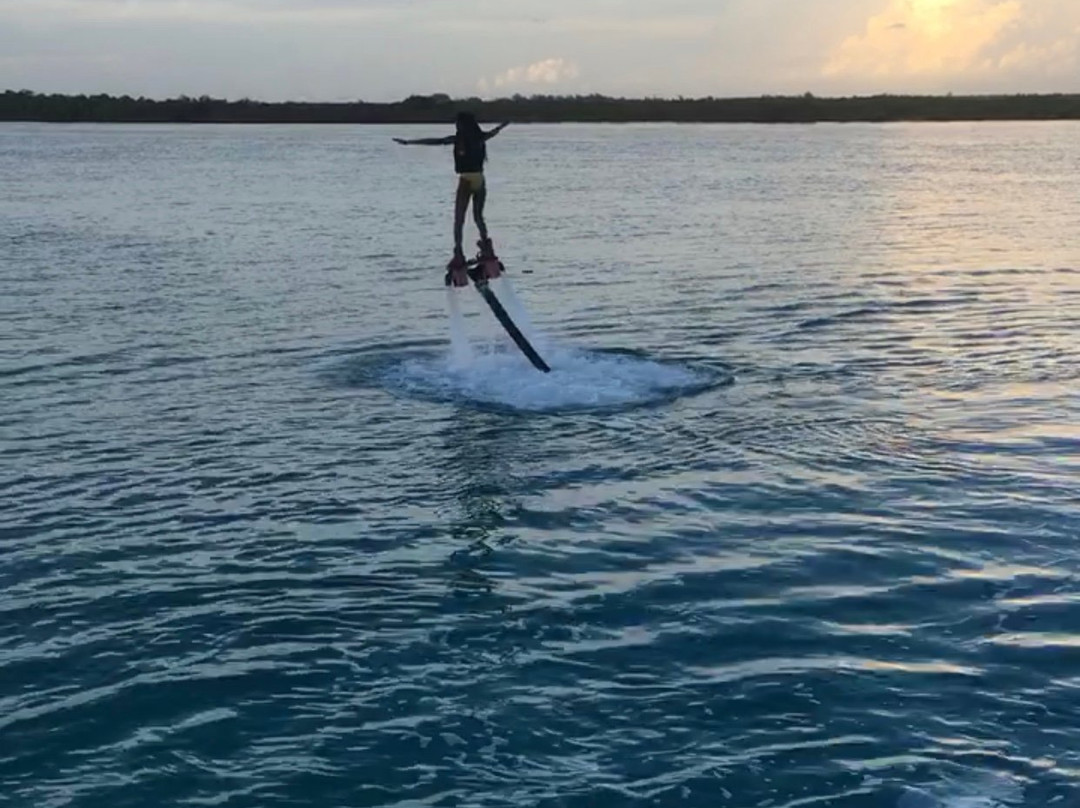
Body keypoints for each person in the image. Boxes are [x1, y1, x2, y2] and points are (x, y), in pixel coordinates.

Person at [394, 112, 510, 287]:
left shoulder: (462, 139)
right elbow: (494, 131)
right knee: (477, 217)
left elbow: (437, 141)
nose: (457, 127)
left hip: (466, 180)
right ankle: (483, 248)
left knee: (460, 219)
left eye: (458, 124)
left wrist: (409, 142)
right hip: (478, 179)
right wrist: (503, 124)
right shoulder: (478, 137)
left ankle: (462, 251)